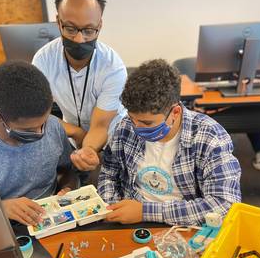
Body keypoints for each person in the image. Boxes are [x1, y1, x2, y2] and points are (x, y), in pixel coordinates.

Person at [98, 59, 242, 226]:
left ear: (175, 112)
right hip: (130, 219)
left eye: (147, 123)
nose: (136, 128)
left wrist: (145, 212)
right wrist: (111, 207)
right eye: (132, 118)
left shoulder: (209, 136)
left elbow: (224, 204)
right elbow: (109, 172)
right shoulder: (126, 126)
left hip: (183, 224)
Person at [32, 0, 127, 172]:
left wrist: (88, 149)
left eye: (88, 30)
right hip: (73, 136)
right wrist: (75, 132)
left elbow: (101, 125)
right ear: (58, 22)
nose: (79, 38)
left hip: (112, 137)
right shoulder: (43, 60)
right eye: (70, 28)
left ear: (99, 26)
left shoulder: (112, 66)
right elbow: (36, 113)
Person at [0, 61, 77, 226]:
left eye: (43, 124)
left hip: (50, 219)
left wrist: (68, 188)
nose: (39, 133)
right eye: (27, 130)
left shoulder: (54, 126)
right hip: (2, 225)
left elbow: (66, 170)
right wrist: (1, 208)